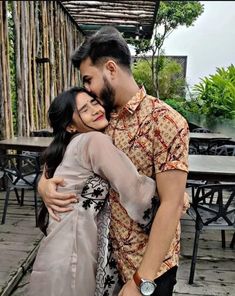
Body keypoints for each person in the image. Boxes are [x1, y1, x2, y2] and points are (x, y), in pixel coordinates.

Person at [38, 27, 189, 296]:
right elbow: (63, 154)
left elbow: (171, 204)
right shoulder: (99, 118)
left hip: (146, 266)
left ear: (110, 68)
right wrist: (44, 184)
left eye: (88, 79)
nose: (87, 89)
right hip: (104, 263)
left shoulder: (164, 121)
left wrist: (142, 279)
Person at [30, 87, 157, 296]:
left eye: (93, 102)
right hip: (74, 251)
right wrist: (173, 198)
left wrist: (42, 184)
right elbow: (134, 189)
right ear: (71, 126)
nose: (95, 110)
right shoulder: (93, 140)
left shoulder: (70, 145)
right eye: (84, 109)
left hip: (60, 247)